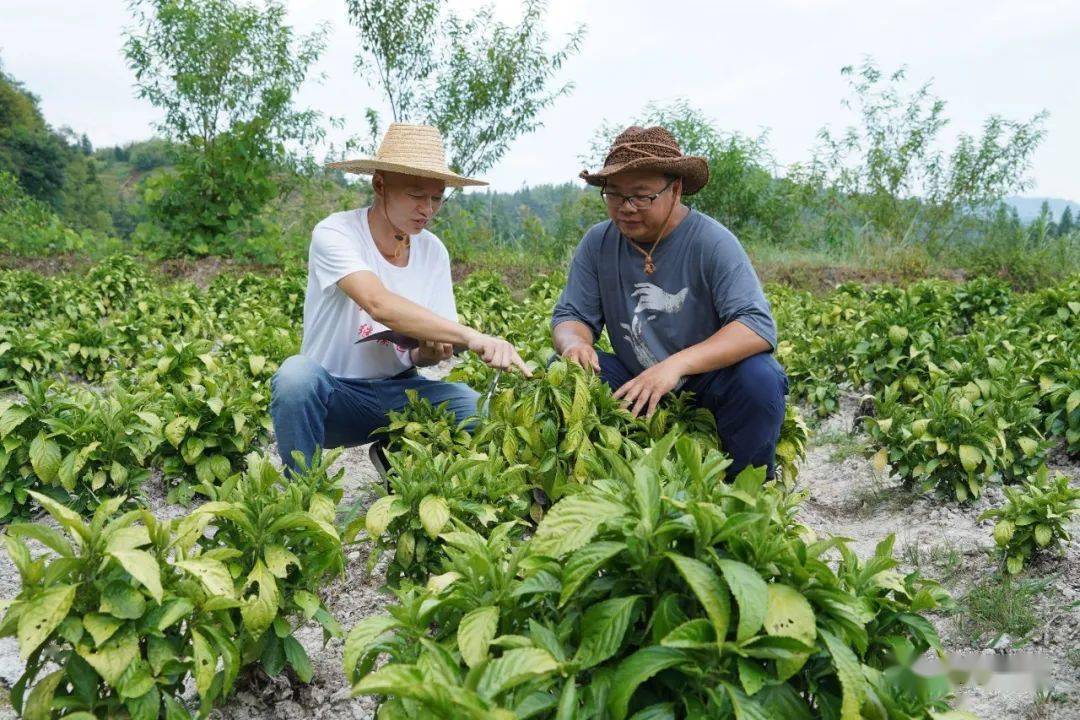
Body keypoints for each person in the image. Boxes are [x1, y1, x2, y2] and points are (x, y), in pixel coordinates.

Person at [271, 123, 530, 477]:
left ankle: (396, 454)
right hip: (335, 397)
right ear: (380, 184)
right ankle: (301, 493)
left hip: (399, 390)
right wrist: (473, 336)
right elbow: (378, 303)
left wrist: (430, 351)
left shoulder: (433, 251)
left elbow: (420, 354)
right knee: (295, 377)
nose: (428, 209)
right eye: (415, 194)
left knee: (480, 411)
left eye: (436, 197)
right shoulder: (335, 232)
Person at [551, 125, 788, 478]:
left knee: (761, 378)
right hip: (636, 380)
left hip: (708, 381)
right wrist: (575, 343)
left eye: (641, 196)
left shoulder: (712, 242)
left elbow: (755, 326)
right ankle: (599, 477)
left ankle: (748, 488)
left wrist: (674, 365)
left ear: (675, 190)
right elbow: (572, 314)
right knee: (565, 371)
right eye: (614, 196)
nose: (626, 208)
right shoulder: (598, 243)